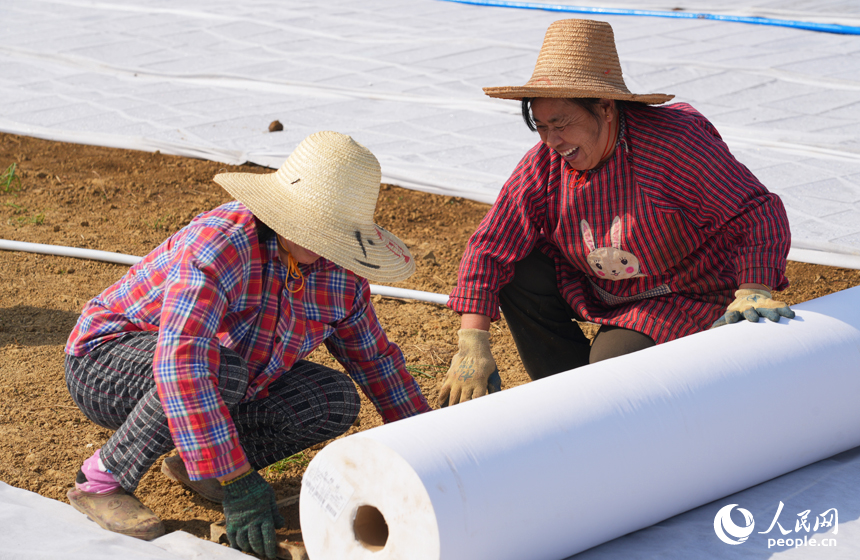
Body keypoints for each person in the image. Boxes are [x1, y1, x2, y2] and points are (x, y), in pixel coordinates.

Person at [64, 131, 431, 558]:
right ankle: (102, 479)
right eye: (313, 225)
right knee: (221, 368)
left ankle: (202, 464)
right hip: (107, 360)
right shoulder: (222, 242)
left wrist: (430, 444)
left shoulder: (342, 274)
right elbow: (182, 362)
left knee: (333, 398)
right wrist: (240, 482)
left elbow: (377, 363)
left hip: (220, 374)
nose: (321, 241)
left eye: (333, 232)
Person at [438, 19, 795, 407]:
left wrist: (754, 289)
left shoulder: (672, 145)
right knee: (519, 267)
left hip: (686, 292)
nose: (552, 140)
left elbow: (755, 211)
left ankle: (602, 400)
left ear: (605, 107)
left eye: (562, 124)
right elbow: (490, 246)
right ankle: (570, 398)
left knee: (613, 368)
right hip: (604, 290)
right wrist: (472, 340)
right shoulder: (545, 164)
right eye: (540, 126)